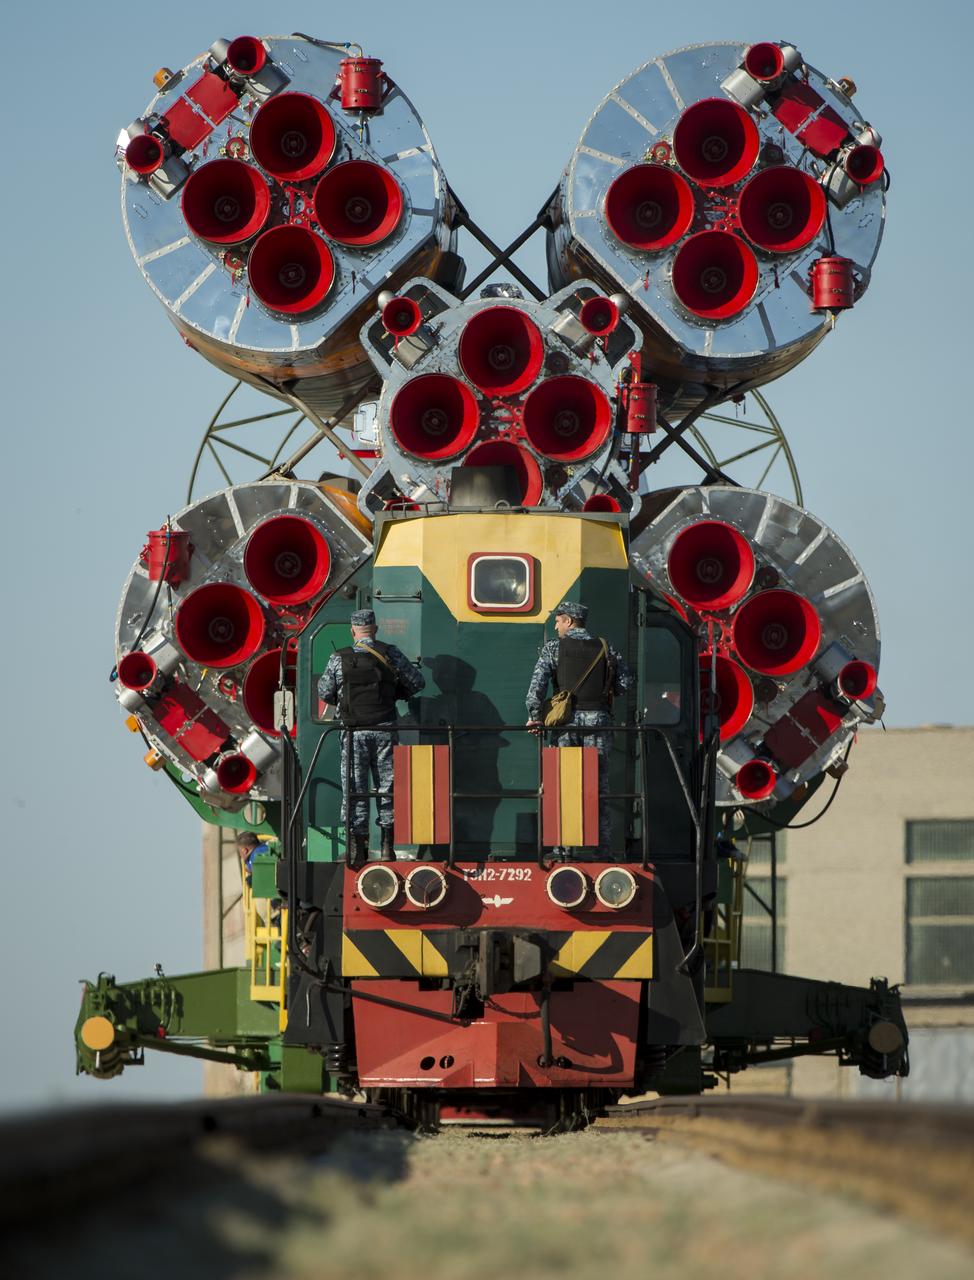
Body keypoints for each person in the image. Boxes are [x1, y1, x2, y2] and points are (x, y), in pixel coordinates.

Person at [317, 609, 425, 865]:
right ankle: (388, 847)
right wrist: (396, 691)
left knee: (355, 789)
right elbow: (417, 682)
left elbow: (324, 691)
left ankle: (358, 850)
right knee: (387, 787)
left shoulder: (338, 658)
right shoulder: (390, 653)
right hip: (385, 729)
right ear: (374, 629)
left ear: (352, 631)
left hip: (353, 732)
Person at [526, 601, 632, 853]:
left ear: (569, 621)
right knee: (599, 785)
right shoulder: (606, 648)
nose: (556, 625)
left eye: (558, 620)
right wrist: (606, 691)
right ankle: (602, 848)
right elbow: (625, 682)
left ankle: (562, 848)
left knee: (561, 783)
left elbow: (536, 687)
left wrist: (535, 715)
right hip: (599, 722)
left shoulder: (554, 648)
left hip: (565, 724)